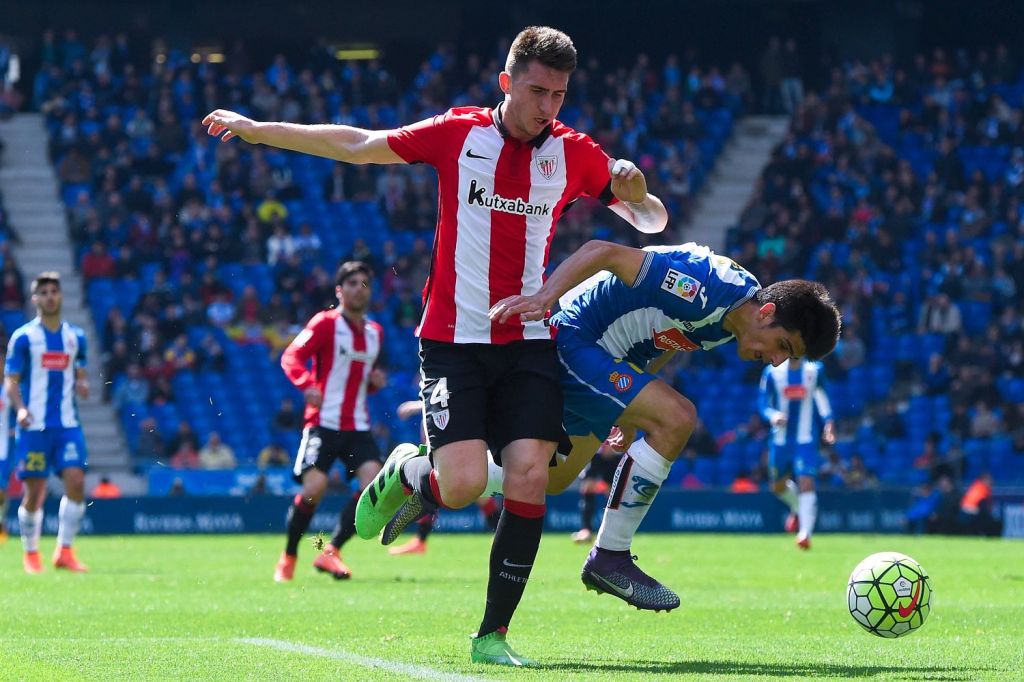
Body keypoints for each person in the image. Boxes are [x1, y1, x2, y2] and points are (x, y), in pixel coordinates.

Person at [206, 26, 667, 667]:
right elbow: (361, 145)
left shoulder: (575, 153)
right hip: (452, 342)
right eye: (537, 91)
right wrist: (259, 129)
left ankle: (493, 636)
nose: (548, 107)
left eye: (559, 95)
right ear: (506, 83)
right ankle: (410, 471)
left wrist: (633, 187)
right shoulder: (459, 133)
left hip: (530, 341)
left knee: (532, 475)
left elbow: (650, 221)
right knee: (463, 485)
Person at [383, 239, 841, 612]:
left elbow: (666, 336)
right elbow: (603, 250)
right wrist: (544, 297)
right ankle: (610, 556)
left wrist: (634, 399)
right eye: (783, 346)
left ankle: (420, 475)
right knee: (680, 417)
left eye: (789, 357)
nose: (778, 361)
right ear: (766, 312)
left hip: (611, 357)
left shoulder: (731, 322)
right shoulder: (702, 287)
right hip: (577, 338)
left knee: (554, 478)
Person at [273, 261, 387, 583]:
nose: (357, 289)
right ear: (339, 290)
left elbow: (364, 378)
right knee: (315, 488)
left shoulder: (375, 333)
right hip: (323, 422)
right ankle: (290, 554)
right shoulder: (325, 324)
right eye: (351, 283)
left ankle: (331, 550)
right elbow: (291, 356)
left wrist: (376, 382)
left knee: (372, 488)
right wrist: (305, 383)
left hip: (357, 425)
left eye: (364, 283)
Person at [4, 272, 91, 573]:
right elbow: (11, 381)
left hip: (67, 425)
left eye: (54, 291)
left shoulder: (76, 337)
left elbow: (81, 373)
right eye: (44, 292)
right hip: (34, 427)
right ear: (35, 299)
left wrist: (83, 385)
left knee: (77, 482)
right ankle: (31, 553)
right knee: (34, 493)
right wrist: (20, 409)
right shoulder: (24, 338)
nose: (50, 296)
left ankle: (64, 551)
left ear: (61, 296)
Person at [759, 357, 834, 550]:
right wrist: (773, 416)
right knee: (777, 487)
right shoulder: (772, 372)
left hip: (806, 439)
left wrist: (829, 424)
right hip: (780, 440)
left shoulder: (815, 369)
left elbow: (822, 397)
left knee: (806, 481)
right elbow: (763, 403)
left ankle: (805, 533)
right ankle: (797, 508)